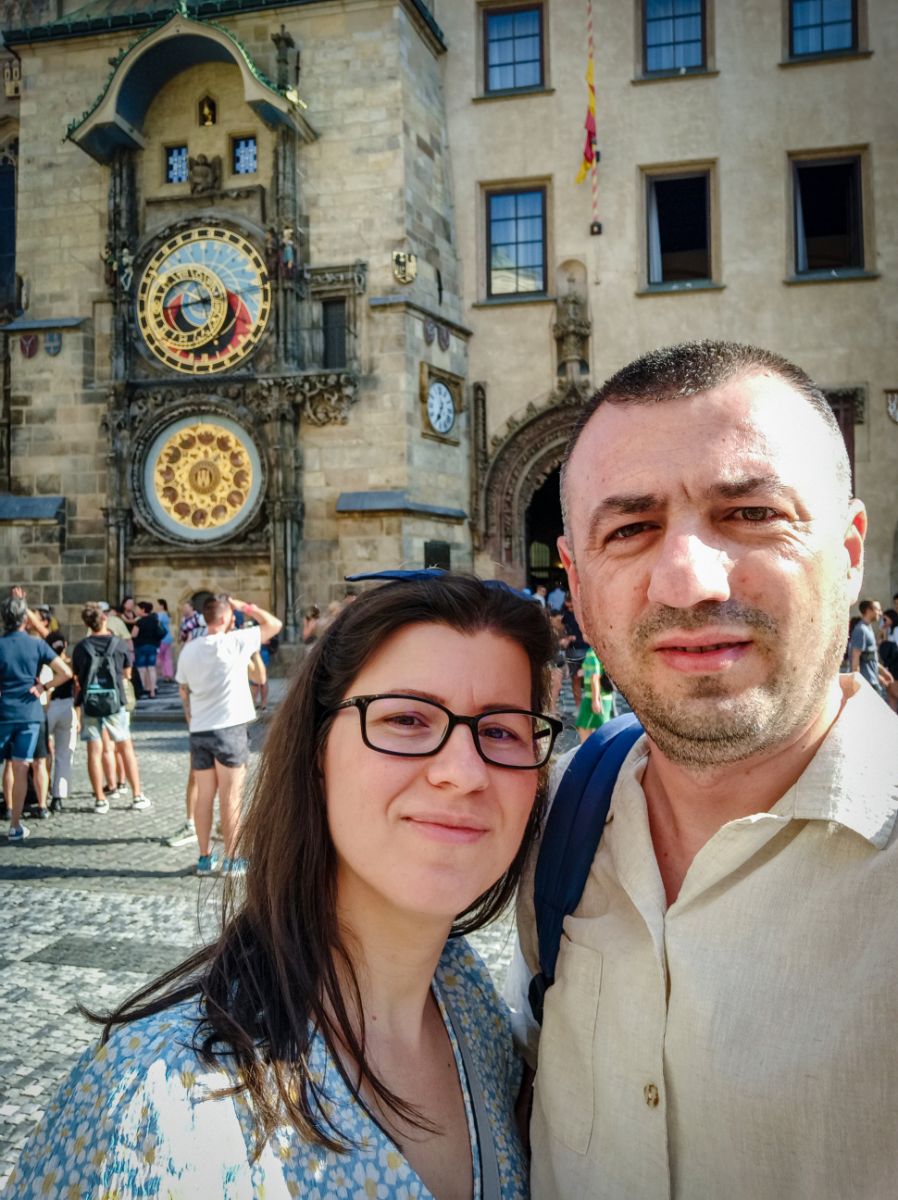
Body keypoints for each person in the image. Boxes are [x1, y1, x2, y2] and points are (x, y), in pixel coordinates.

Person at [8, 574, 560, 1197]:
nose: (462, 772)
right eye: (406, 718)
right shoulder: (169, 1101)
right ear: (316, 751)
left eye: (502, 731)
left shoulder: (468, 1002)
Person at [507, 340, 898, 1199]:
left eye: (752, 513)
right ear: (578, 583)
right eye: (630, 530)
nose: (687, 581)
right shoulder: (553, 821)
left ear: (850, 550)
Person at [176, 595, 282, 875]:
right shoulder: (235, 641)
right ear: (224, 618)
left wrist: (190, 717)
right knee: (231, 797)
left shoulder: (189, 649)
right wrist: (243, 606)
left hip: (200, 730)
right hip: (229, 729)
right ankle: (233, 860)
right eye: (231, 615)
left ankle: (204, 858)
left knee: (204, 797)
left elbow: (183, 689)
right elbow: (274, 624)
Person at [0, 595, 71, 839]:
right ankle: (15, 826)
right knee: (21, 767)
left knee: (9, 767)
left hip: (3, 711)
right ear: (25, 620)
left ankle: (10, 813)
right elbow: (65, 672)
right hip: (30, 713)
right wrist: (43, 686)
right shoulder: (36, 644)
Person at [72, 603, 151, 814]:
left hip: (90, 702)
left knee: (94, 751)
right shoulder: (119, 644)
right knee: (126, 748)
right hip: (115, 701)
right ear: (104, 619)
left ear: (87, 624)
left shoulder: (81, 647)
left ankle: (100, 799)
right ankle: (137, 795)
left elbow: (77, 677)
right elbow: (127, 674)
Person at [45, 631, 77, 812]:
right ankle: (58, 796)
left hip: (48, 707)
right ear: (65, 645)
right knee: (64, 754)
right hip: (67, 706)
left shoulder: (45, 665)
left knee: (42, 753)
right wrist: (78, 714)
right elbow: (77, 688)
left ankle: (42, 790)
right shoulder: (70, 663)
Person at [849, 598, 892, 698]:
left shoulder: (868, 628)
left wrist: (882, 673)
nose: (880, 613)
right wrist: (857, 683)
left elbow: (869, 658)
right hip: (866, 685)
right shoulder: (861, 630)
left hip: (872, 682)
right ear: (869, 610)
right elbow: (855, 659)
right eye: (878, 610)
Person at [574, 646, 613, 742]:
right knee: (603, 730)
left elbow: (594, 677)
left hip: (593, 697)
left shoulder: (592, 652)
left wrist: (595, 700)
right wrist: (585, 671)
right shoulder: (604, 649)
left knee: (584, 728)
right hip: (605, 696)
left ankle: (587, 750)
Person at [131, 600, 164, 699]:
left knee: (142, 669)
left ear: (143, 610)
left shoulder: (139, 622)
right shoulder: (155, 620)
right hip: (153, 646)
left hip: (140, 646)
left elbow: (134, 634)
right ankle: (152, 690)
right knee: (151, 668)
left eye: (137, 609)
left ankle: (144, 688)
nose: (136, 611)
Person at [155, 598, 175, 681]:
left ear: (161, 606)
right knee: (167, 657)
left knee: (158, 656)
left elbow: (157, 624)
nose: (155, 606)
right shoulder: (167, 614)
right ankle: (168, 675)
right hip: (168, 637)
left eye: (157, 604)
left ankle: (157, 674)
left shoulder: (159, 614)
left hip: (162, 638)